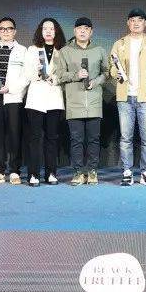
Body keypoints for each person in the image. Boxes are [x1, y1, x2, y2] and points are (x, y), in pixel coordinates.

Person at [110, 8, 146, 186]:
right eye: (132, 20)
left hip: (145, 98)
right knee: (126, 137)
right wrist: (116, 73)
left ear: (145, 23)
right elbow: (112, 67)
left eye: (139, 20)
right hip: (125, 97)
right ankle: (127, 171)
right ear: (128, 23)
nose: (136, 23)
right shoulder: (119, 44)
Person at [52, 17, 107, 185]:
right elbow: (59, 75)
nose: (83, 31)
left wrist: (95, 82)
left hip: (94, 102)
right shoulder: (65, 51)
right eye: (79, 28)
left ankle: (92, 171)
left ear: (91, 32)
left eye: (86, 28)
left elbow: (106, 73)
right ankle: (77, 172)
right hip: (74, 102)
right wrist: (77, 75)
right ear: (75, 31)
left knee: (94, 139)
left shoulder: (99, 50)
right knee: (76, 140)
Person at [0, 17, 29, 184]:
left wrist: (11, 88)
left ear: (14, 31)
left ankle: (15, 170)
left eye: (9, 29)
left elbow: (27, 76)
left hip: (13, 97)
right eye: (2, 29)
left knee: (14, 134)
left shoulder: (23, 51)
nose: (6, 31)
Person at [24, 18, 67, 186]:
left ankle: (51, 173)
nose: (48, 31)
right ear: (40, 31)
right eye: (45, 28)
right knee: (35, 138)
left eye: (52, 28)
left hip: (54, 98)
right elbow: (27, 73)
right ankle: (33, 174)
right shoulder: (32, 50)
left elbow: (65, 74)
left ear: (57, 31)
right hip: (36, 99)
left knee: (52, 138)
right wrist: (37, 73)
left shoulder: (62, 51)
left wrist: (55, 78)